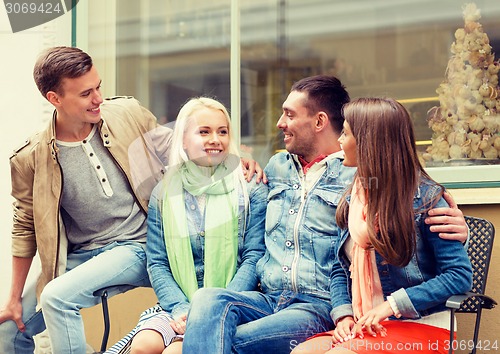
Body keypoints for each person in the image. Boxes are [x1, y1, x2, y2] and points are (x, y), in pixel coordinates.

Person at [0, 46, 263, 354]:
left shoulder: (127, 114)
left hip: (136, 245)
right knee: (9, 328)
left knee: (57, 297)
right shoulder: (30, 157)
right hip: (80, 256)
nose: (98, 98)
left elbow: (182, 145)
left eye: (98, 87)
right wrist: (14, 297)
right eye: (86, 94)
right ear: (54, 99)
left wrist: (239, 158)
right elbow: (24, 229)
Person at [181, 75, 469, 354]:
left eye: (289, 115)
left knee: (222, 340)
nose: (280, 123)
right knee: (207, 301)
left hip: (321, 306)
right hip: (274, 300)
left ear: (321, 122)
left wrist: (461, 231)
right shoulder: (291, 173)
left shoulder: (364, 181)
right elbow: (342, 265)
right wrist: (236, 162)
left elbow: (447, 265)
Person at [291, 97, 473, 354]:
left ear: (368, 143)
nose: (340, 141)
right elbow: (340, 269)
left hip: (423, 325)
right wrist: (343, 315)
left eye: (346, 133)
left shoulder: (426, 200)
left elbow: (459, 277)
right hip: (368, 324)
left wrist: (391, 305)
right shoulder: (356, 198)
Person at [114, 97, 266, 354]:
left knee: (175, 353)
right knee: (142, 347)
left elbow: (254, 258)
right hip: (178, 304)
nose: (215, 139)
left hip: (233, 301)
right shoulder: (164, 192)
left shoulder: (249, 188)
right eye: (204, 132)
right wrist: (181, 308)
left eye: (223, 131)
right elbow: (158, 262)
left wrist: (214, 305)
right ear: (183, 139)